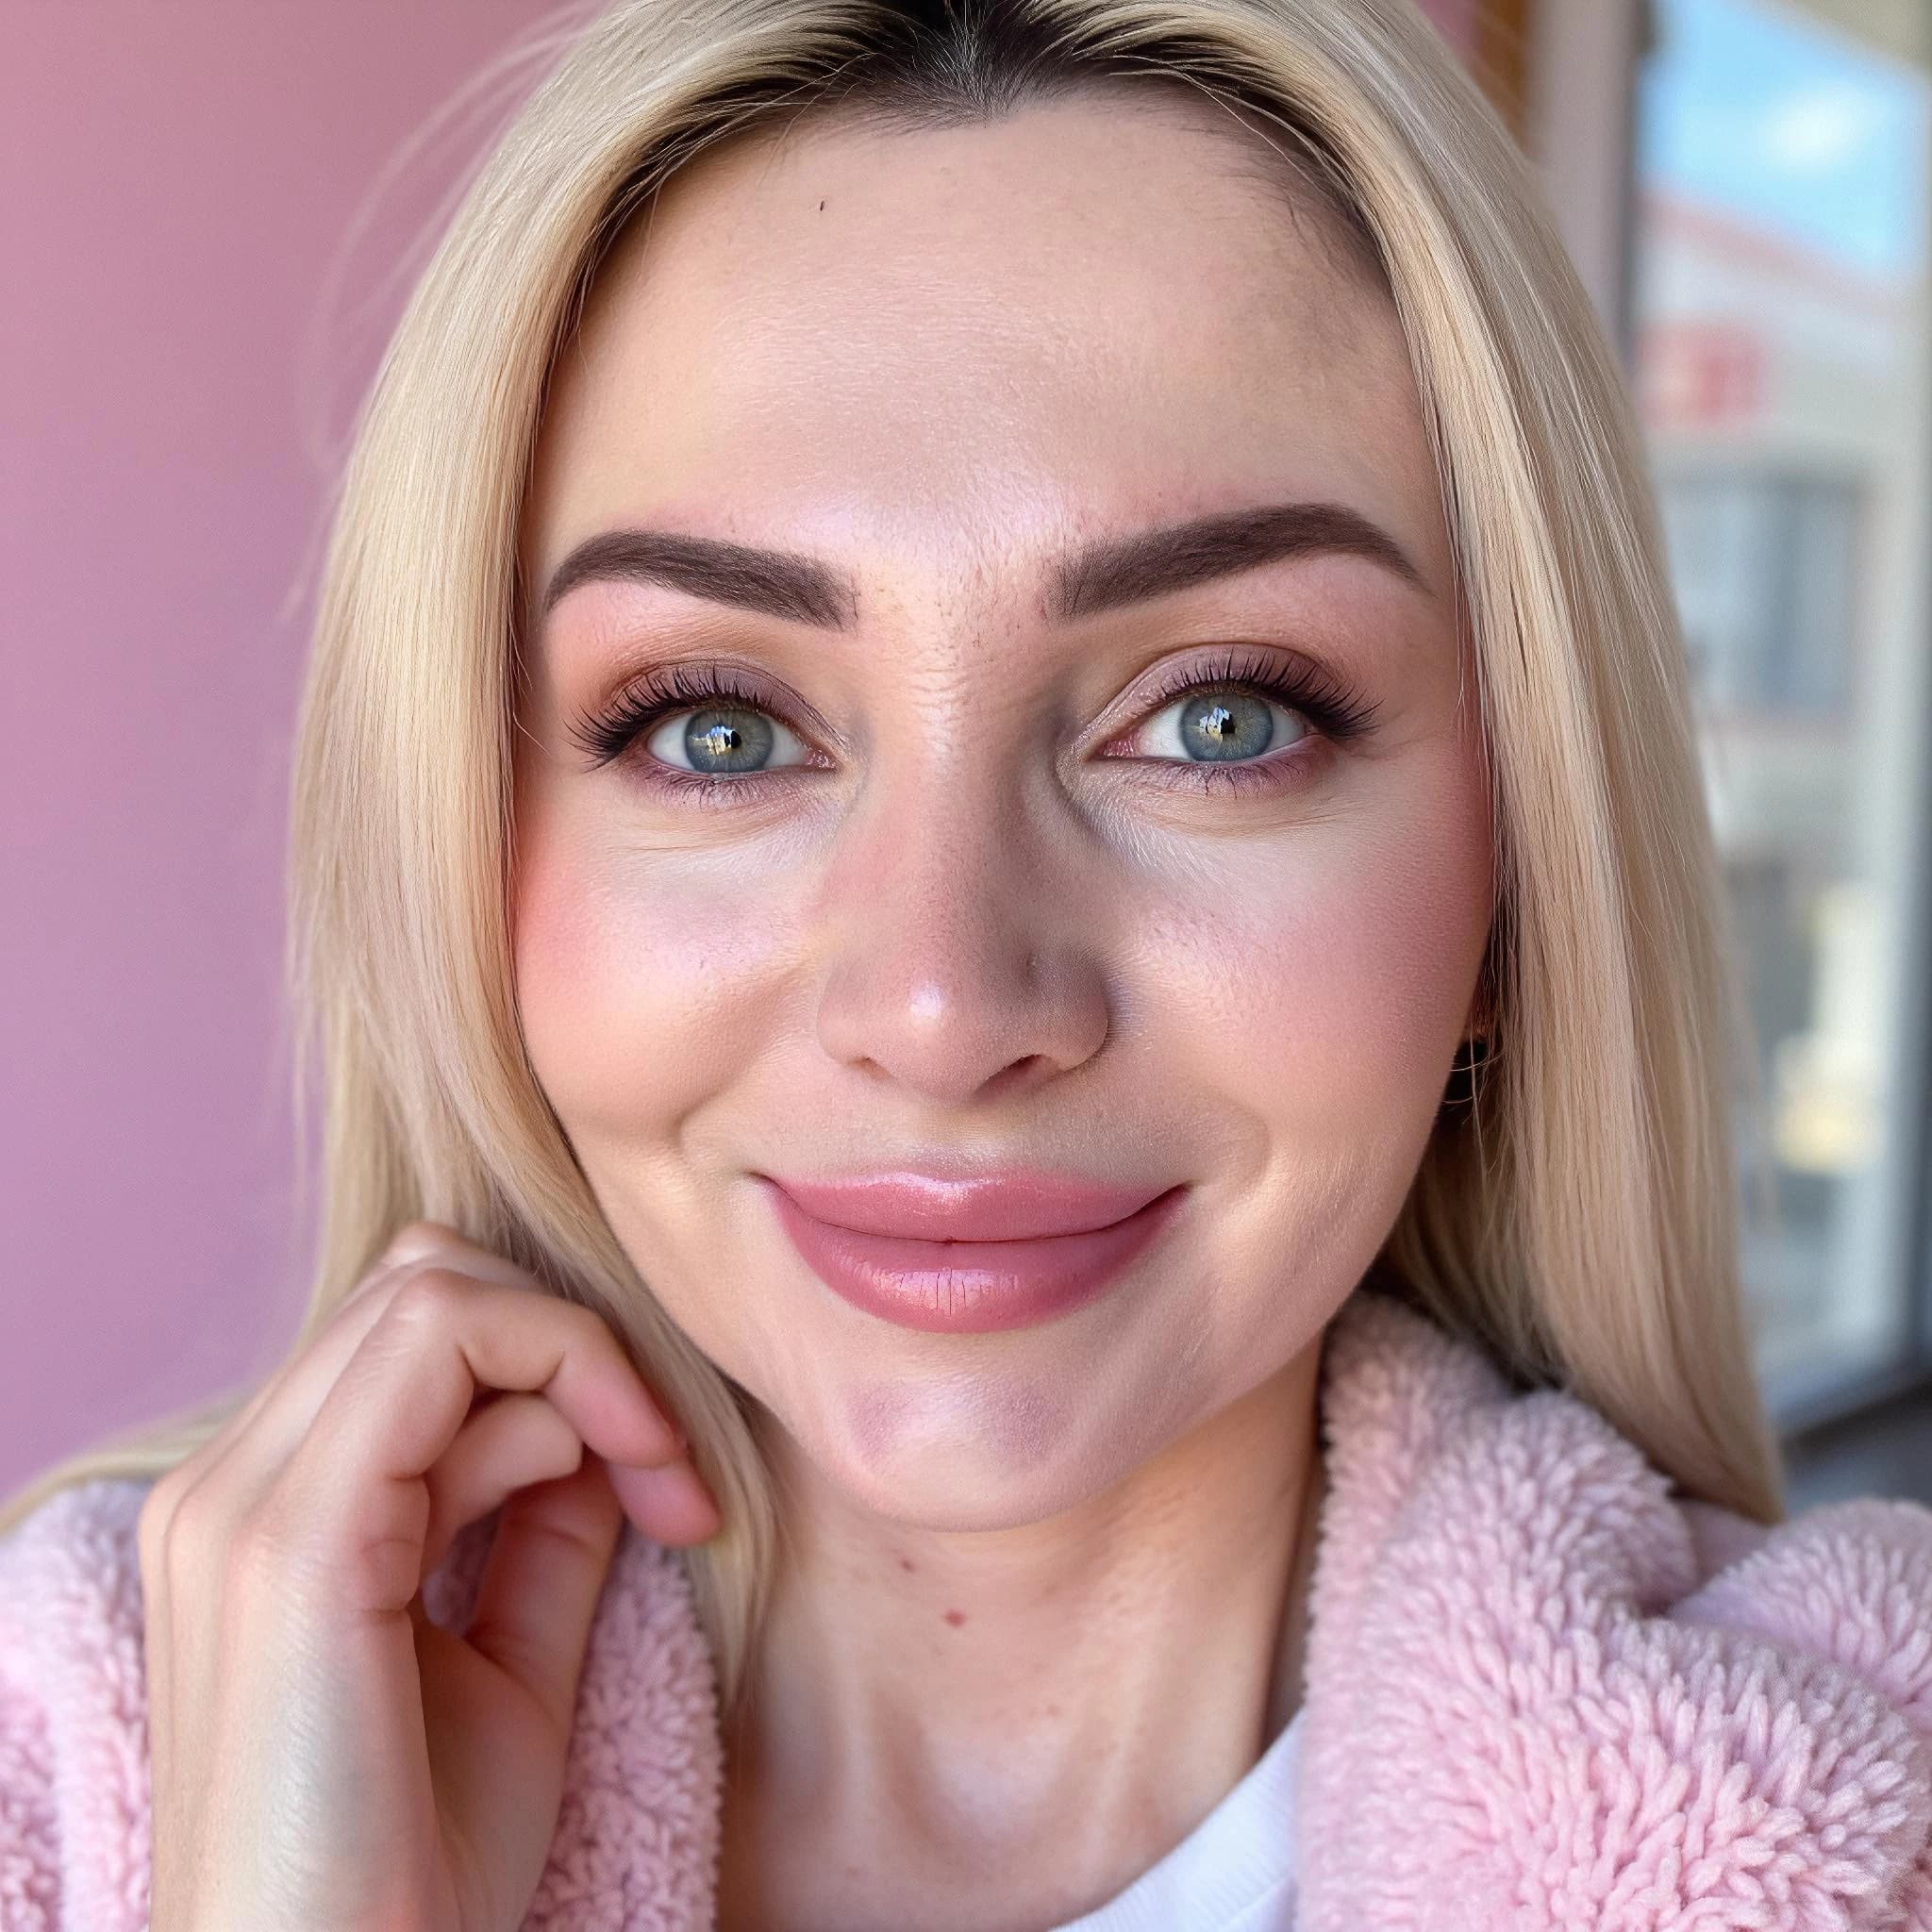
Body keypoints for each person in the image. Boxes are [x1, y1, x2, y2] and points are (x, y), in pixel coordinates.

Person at [3, 0, 1930, 1926]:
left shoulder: (1863, 1825)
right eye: (719, 729)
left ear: (1516, 873)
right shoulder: (82, 1780)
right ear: (471, 852)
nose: (940, 1004)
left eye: (1222, 720)